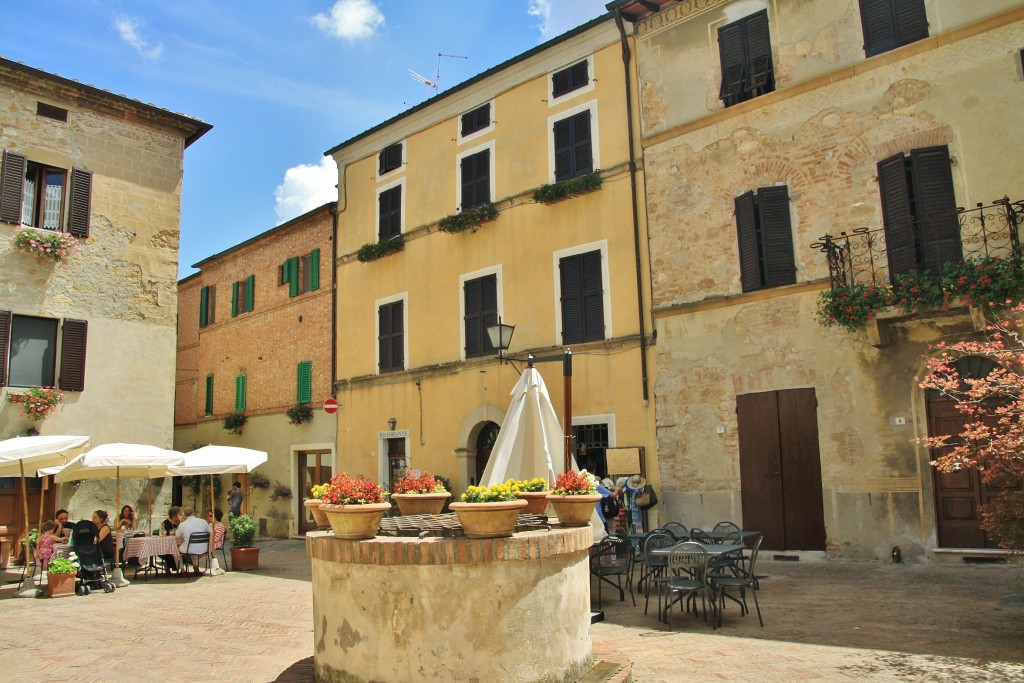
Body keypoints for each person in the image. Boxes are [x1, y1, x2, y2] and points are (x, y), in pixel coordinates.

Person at [175, 507, 211, 575]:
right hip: (204, 548)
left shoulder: (182, 524)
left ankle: (182, 569)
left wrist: (180, 523)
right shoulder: (203, 521)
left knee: (176, 549)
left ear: (184, 515)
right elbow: (210, 532)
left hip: (190, 548)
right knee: (192, 546)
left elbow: (177, 535)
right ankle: (196, 567)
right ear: (193, 513)